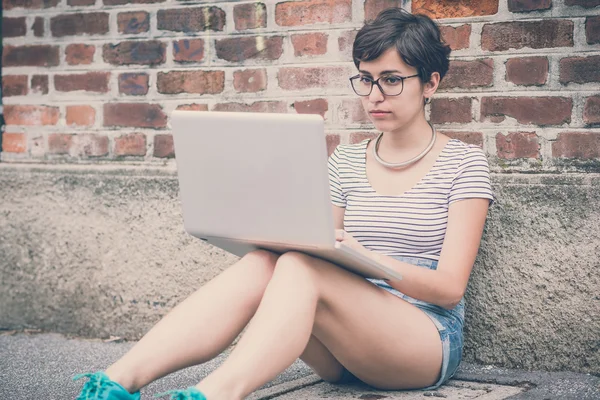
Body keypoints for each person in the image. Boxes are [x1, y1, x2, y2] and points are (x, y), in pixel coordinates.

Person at [73, 7, 494, 400]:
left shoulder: (463, 163)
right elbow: (320, 250)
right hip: (342, 342)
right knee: (267, 262)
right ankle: (113, 384)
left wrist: (364, 255)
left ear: (431, 83)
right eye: (365, 79)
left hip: (423, 340)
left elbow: (449, 289)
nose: (374, 95)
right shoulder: (346, 160)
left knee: (300, 268)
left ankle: (213, 394)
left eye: (391, 79)